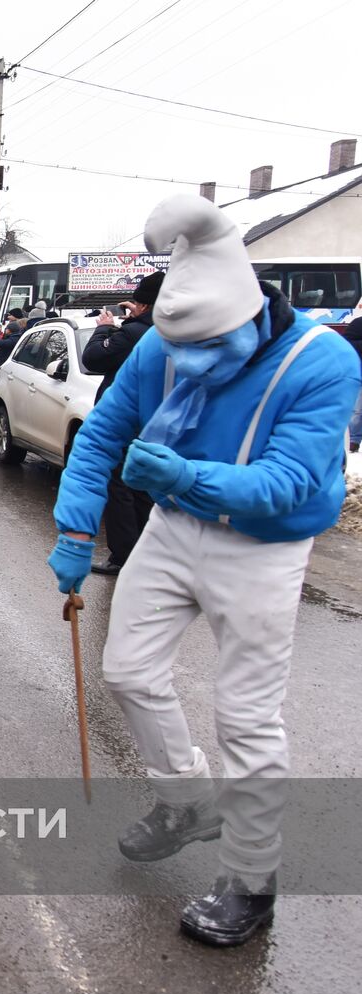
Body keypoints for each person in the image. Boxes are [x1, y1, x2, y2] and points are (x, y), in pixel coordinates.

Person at [48, 194, 359, 948]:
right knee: (125, 671)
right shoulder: (161, 343)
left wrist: (186, 475)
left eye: (204, 349)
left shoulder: (322, 364)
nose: (183, 366)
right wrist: (72, 527)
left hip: (262, 543)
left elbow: (286, 481)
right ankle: (187, 801)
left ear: (249, 314)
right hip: (172, 527)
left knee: (245, 716)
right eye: (172, 349)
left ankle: (252, 880)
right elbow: (100, 438)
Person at [81, 271, 165, 574]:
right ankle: (145, 551)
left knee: (119, 488)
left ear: (141, 305)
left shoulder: (133, 334)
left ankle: (123, 556)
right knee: (144, 489)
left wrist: (104, 329)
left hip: (126, 422)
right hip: (157, 422)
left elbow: (93, 359)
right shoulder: (170, 330)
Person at [344, 316, 362, 453]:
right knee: (357, 410)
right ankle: (353, 440)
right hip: (358, 372)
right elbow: (346, 343)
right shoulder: (358, 323)